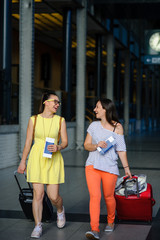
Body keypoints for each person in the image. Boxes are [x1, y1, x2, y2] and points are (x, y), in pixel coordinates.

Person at [17, 91, 68, 238]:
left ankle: (60, 210)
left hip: (54, 158)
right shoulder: (33, 119)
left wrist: (59, 146)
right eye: (55, 101)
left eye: (58, 102)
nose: (57, 104)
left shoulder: (60, 120)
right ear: (46, 102)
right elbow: (28, 142)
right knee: (38, 194)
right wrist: (22, 161)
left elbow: (65, 141)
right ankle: (38, 226)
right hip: (36, 158)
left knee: (53, 196)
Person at [84, 98, 132, 240]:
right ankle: (95, 229)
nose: (95, 110)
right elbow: (86, 145)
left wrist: (126, 168)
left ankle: (111, 221)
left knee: (108, 196)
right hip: (92, 165)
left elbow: (121, 150)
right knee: (95, 197)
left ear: (105, 109)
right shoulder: (93, 125)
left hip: (109, 167)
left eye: (97, 107)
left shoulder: (117, 127)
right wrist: (96, 145)